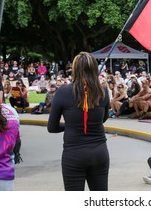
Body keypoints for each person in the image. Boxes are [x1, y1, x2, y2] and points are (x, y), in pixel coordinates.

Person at [47, 52, 110, 191]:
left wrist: (71, 126)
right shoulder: (103, 91)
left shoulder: (63, 92)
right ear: (94, 69)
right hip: (99, 152)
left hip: (74, 154)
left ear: (74, 70)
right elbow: (102, 119)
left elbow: (52, 127)